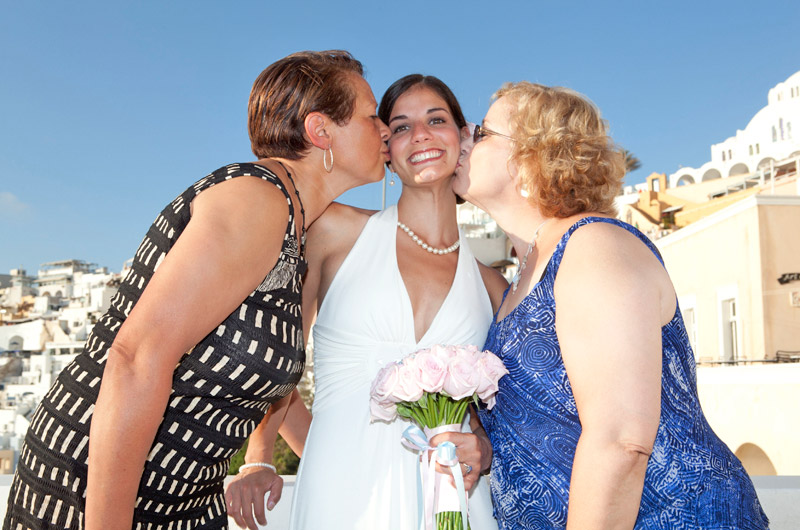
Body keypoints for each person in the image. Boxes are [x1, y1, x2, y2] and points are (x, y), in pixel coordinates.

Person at [3, 50, 391, 530]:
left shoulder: (296, 225)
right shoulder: (257, 201)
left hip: (187, 494)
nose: (385, 129)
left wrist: (349, 477)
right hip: (102, 490)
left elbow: (270, 387)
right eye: (372, 116)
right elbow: (135, 359)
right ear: (320, 131)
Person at [454, 82, 769, 529]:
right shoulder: (526, 271)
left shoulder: (594, 246)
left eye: (482, 132)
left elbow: (621, 441)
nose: (464, 136)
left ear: (531, 157)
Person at [224, 74, 507, 530]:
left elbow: (501, 418)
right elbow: (274, 359)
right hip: (342, 494)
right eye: (399, 126)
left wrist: (483, 449)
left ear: (463, 137)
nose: (420, 135)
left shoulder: (492, 286)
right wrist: (260, 459)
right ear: (387, 151)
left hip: (454, 502)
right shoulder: (333, 232)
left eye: (437, 119)